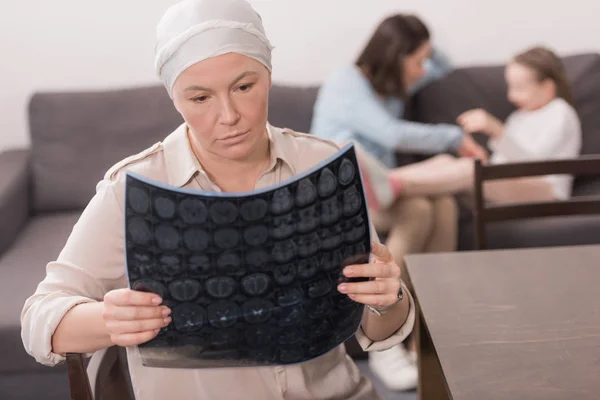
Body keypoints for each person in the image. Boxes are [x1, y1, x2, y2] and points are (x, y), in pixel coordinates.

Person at [20, 1, 416, 399]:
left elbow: (378, 330)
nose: (229, 116)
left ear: (269, 76)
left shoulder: (323, 166)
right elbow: (38, 318)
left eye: (244, 87)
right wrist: (109, 320)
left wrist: (387, 297)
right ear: (175, 99)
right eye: (200, 98)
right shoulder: (132, 189)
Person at [311, 14, 486, 391]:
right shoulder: (347, 82)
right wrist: (453, 139)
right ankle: (383, 338)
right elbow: (390, 134)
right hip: (337, 195)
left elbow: (444, 67)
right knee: (421, 205)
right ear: (394, 54)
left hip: (382, 195)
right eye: (416, 59)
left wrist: (422, 46)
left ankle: (425, 337)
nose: (424, 69)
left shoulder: (388, 91)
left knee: (442, 204)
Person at [366, 46, 582, 203]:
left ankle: (389, 186)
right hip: (512, 181)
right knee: (445, 161)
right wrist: (487, 160)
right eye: (510, 87)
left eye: (519, 88)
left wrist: (496, 130)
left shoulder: (560, 113)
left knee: (471, 171)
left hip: (546, 191)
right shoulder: (520, 117)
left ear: (547, 87)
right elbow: (507, 160)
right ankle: (381, 179)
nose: (511, 95)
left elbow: (535, 167)